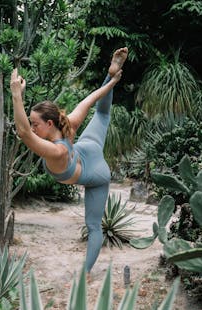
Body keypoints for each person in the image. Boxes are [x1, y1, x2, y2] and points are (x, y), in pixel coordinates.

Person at [10, 47, 128, 276]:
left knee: (94, 226)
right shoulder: (68, 124)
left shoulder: (57, 152)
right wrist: (111, 79)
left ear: (50, 124)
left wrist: (16, 95)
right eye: (33, 123)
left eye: (36, 123)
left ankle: (85, 274)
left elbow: (24, 133)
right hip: (87, 147)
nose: (33, 128)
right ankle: (111, 70)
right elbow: (92, 98)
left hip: (95, 172)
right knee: (102, 115)